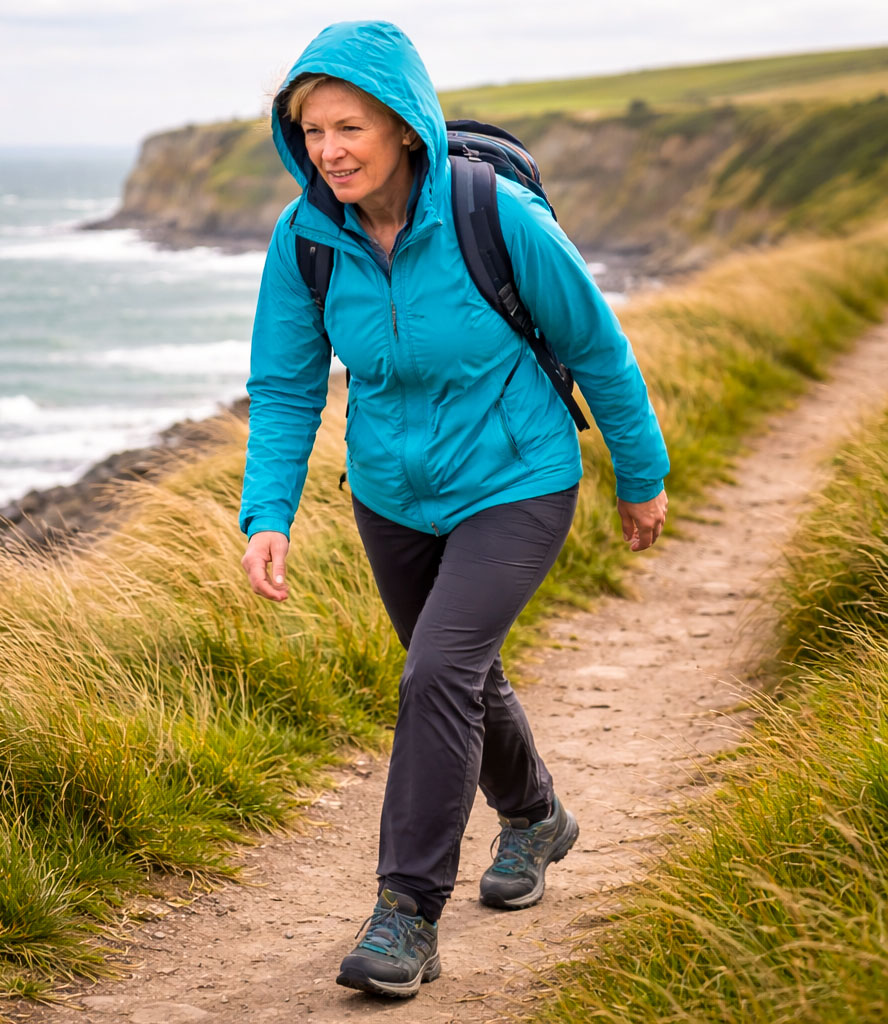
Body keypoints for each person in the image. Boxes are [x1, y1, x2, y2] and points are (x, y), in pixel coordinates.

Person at [239, 20, 669, 999]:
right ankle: (536, 818)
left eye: (349, 128)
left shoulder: (494, 214)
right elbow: (286, 381)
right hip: (391, 497)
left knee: (437, 667)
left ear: (402, 127)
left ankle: (405, 913)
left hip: (518, 481)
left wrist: (641, 479)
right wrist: (268, 512)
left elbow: (598, 347)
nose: (329, 151)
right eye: (311, 133)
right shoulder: (305, 238)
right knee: (461, 677)